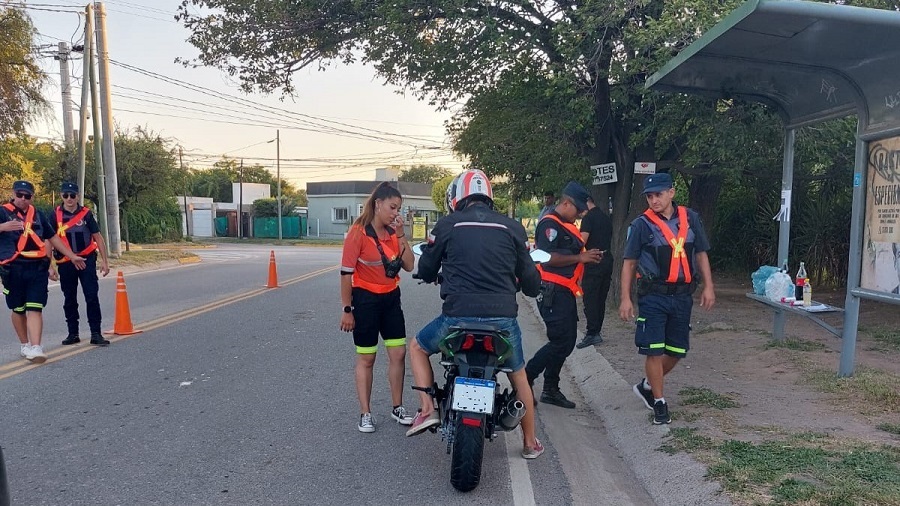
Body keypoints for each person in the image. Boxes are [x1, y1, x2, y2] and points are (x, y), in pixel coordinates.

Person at [405, 169, 545, 459]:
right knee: (519, 375)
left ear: (457, 197)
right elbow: (531, 283)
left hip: (457, 319)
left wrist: (431, 273)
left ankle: (428, 409)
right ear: (489, 196)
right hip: (502, 322)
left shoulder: (447, 225)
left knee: (417, 347)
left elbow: (428, 268)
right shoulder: (513, 228)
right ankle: (530, 442)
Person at [618, 172, 716, 425]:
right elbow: (629, 264)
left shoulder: (691, 218)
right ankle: (659, 403)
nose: (654, 200)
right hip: (653, 295)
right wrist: (625, 298)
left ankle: (648, 385)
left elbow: (702, 254)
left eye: (658, 194)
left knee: (677, 350)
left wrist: (709, 287)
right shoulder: (642, 225)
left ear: (671, 192)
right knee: (653, 350)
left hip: (683, 296)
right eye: (649, 196)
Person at [339, 181, 416, 432]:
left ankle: (397, 407)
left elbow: (409, 265)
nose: (396, 213)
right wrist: (347, 309)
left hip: (391, 298)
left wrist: (403, 234)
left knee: (398, 353)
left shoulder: (394, 233)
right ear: (377, 204)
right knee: (367, 357)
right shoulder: (358, 232)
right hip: (365, 300)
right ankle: (365, 413)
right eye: (392, 207)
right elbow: (345, 273)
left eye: (398, 208)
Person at [525, 181, 601, 409]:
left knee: (565, 342)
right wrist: (580, 258)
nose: (579, 215)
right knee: (561, 342)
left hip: (564, 291)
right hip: (551, 291)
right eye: (577, 210)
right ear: (566, 203)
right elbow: (546, 258)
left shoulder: (565, 225)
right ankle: (527, 377)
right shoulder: (549, 225)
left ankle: (550, 388)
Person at [0, 180, 86, 364]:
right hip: (13, 268)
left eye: (27, 196)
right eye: (19, 195)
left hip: (37, 267)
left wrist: (71, 256)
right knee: (18, 309)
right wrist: (3, 227)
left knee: (35, 307)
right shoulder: (2, 212)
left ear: (32, 197)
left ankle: (36, 347)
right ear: (13, 194)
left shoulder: (38, 215)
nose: (23, 199)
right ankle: (25, 344)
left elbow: (53, 237)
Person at [48, 182, 111, 346]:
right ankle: (73, 333)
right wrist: (49, 265)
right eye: (65, 195)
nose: (69, 199)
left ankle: (96, 333)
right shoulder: (54, 215)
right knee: (69, 298)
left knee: (91, 296)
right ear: (61, 196)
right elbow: (48, 240)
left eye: (72, 195)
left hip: (86, 260)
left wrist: (105, 261)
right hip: (66, 262)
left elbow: (98, 237)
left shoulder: (86, 214)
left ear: (77, 196)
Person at [575, 197, 613, 349]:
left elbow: (582, 241)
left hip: (593, 260)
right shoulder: (605, 217)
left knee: (590, 298)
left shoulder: (588, 218)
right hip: (607, 259)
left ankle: (592, 333)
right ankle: (597, 330)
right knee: (600, 298)